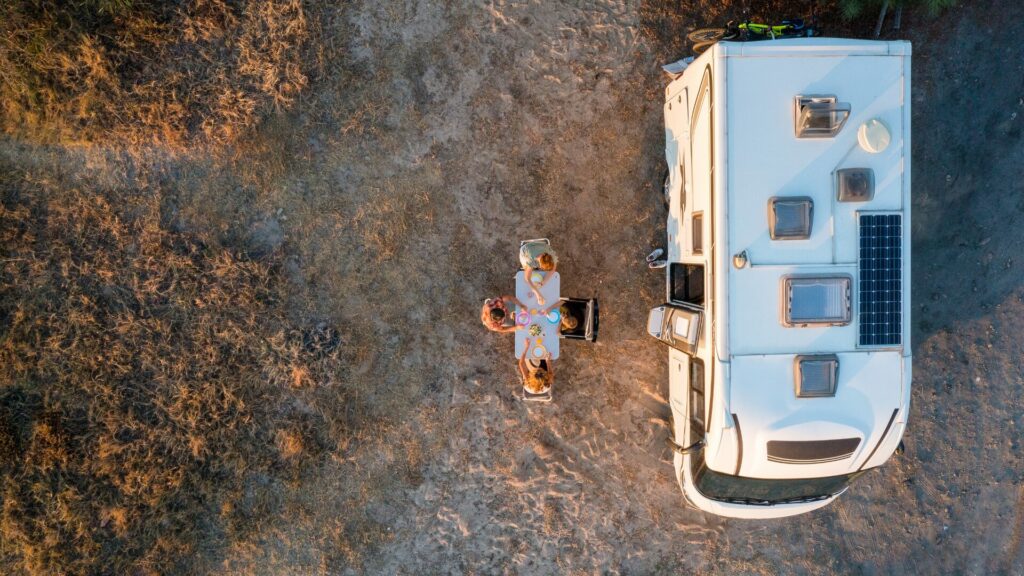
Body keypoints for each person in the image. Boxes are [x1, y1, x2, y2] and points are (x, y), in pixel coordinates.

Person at [520, 240, 558, 305]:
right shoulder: (530, 259)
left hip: (539, 247)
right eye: (541, 268)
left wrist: (542, 283)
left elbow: (553, 269)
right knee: (526, 268)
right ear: (539, 264)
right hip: (525, 251)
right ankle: (527, 267)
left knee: (532, 269)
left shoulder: (550, 257)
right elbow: (527, 279)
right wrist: (538, 294)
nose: (541, 269)